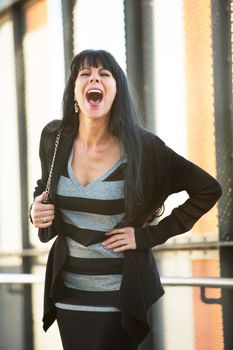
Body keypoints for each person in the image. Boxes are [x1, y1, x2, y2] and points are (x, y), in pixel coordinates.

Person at [30, 49, 222, 350]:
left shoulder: (144, 147)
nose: (95, 78)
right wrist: (35, 209)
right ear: (75, 91)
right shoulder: (54, 138)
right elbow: (45, 187)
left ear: (116, 90)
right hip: (68, 295)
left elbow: (207, 189)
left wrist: (148, 236)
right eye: (85, 74)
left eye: (104, 74)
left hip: (118, 299)